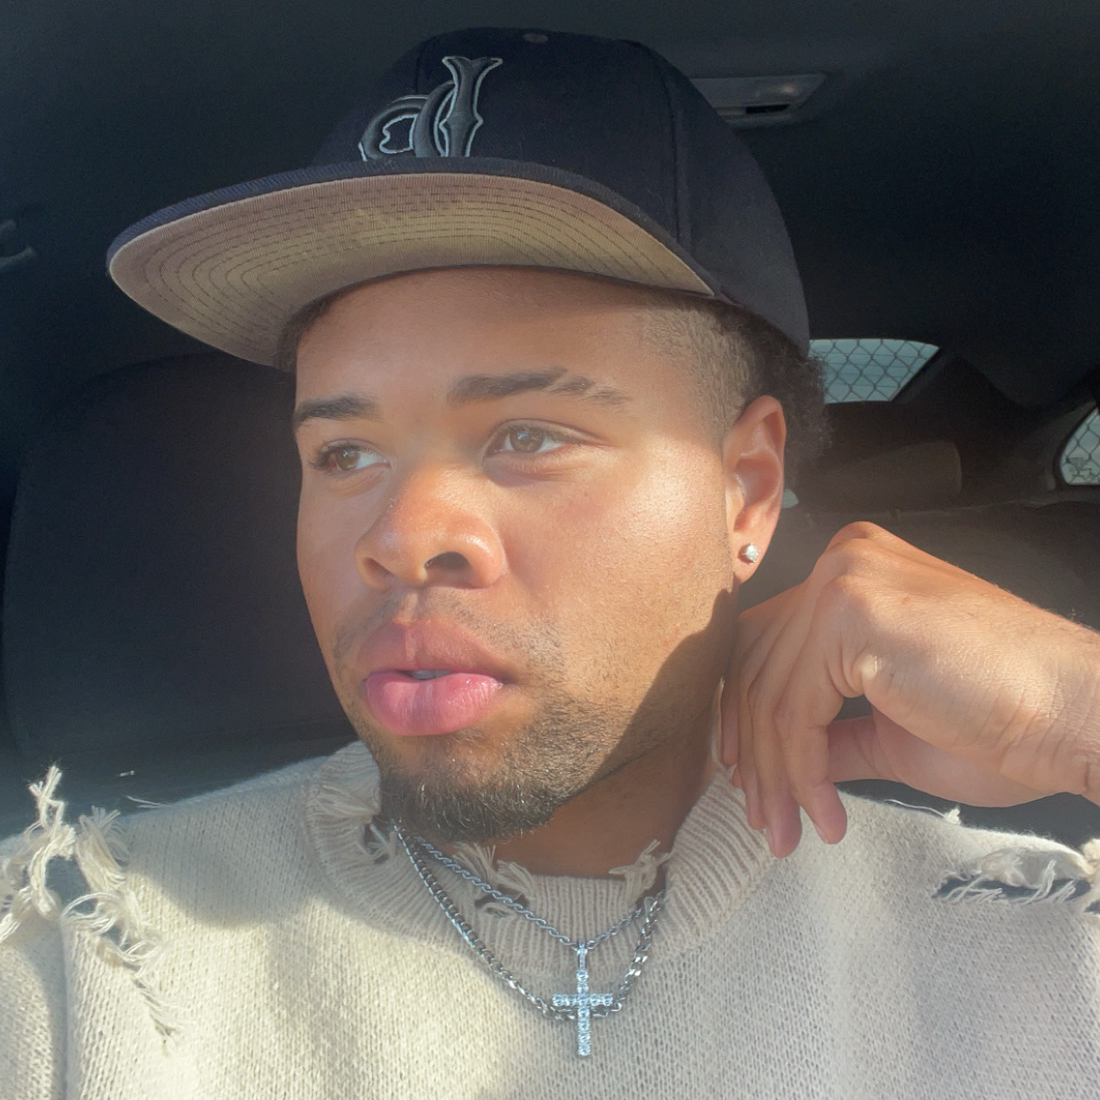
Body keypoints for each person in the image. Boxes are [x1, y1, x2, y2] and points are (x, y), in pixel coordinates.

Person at [3, 26, 1100, 1098]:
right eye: (344, 453)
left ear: (747, 490)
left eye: (526, 435)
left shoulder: (1034, 942)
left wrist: (1078, 711)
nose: (400, 535)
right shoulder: (88, 962)